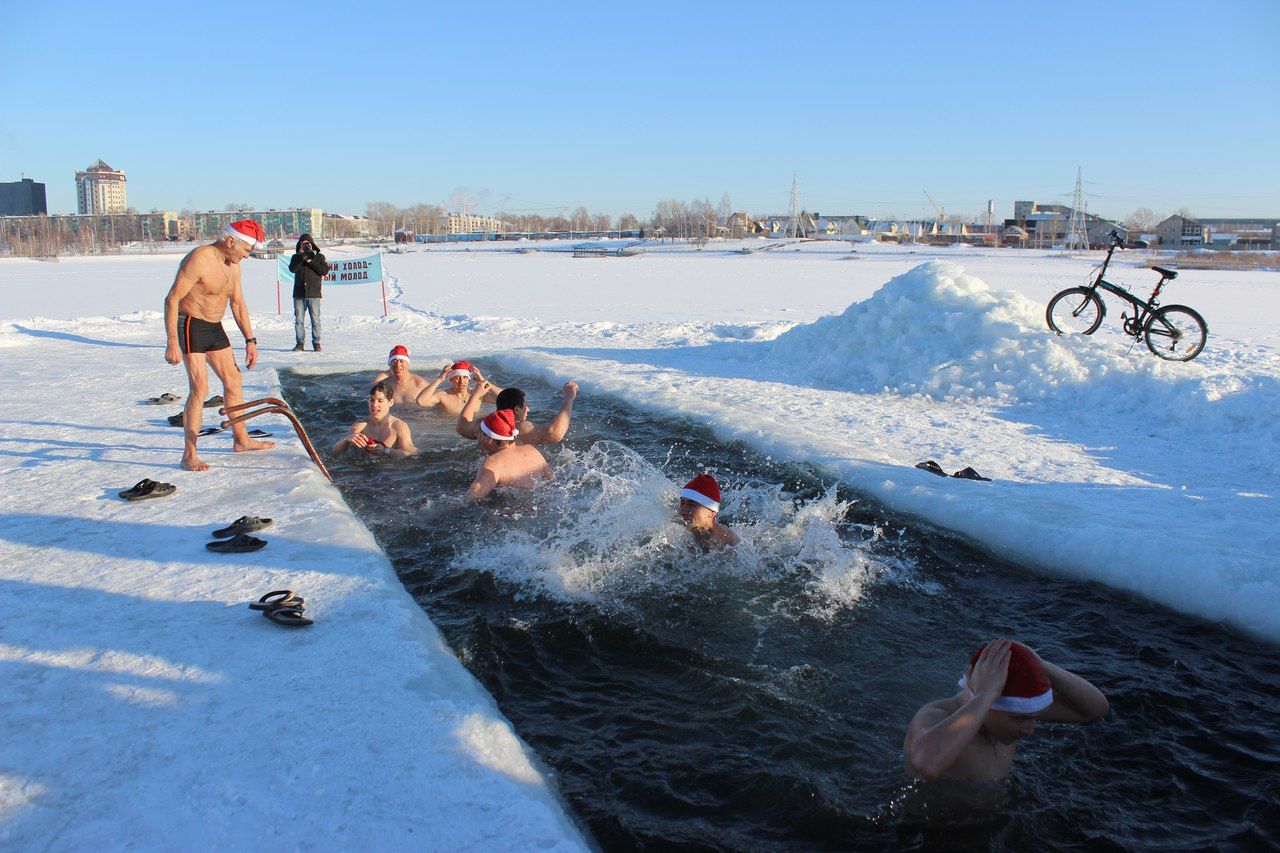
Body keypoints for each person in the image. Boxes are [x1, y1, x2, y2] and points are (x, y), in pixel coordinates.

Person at [903, 638, 1109, 782]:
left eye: (1035, 717)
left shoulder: (1014, 713)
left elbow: (1095, 709)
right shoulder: (935, 715)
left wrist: (1038, 664)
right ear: (989, 703)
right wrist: (984, 695)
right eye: (1020, 720)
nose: (1031, 729)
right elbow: (927, 763)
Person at [163, 219, 275, 472]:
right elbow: (172, 299)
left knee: (234, 381)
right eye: (246, 251)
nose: (246, 257)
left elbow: (237, 303)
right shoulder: (199, 258)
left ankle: (241, 439)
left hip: (214, 327)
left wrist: (250, 340)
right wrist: (172, 341)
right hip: (191, 324)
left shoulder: (233, 264)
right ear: (230, 241)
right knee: (199, 389)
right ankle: (189, 455)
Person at [464, 408, 551, 503]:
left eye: (480, 435)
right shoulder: (531, 450)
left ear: (489, 439)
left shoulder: (492, 463)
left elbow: (470, 500)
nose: (478, 438)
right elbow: (552, 481)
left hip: (512, 511)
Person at [456, 381, 578, 446]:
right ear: (517, 409)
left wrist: (475, 395)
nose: (528, 409)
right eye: (526, 406)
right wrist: (569, 399)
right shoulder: (520, 428)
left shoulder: (485, 424)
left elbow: (462, 427)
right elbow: (555, 433)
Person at [332, 381, 416, 459]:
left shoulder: (399, 426)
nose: (374, 405)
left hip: (391, 470)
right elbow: (335, 452)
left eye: (380, 401)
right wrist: (346, 440)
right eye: (372, 400)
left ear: (390, 402)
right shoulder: (361, 426)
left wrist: (386, 451)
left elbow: (410, 453)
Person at [288, 233, 329, 352]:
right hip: (299, 293)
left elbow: (324, 271)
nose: (305, 246)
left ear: (312, 244)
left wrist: (311, 261)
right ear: (299, 245)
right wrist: (301, 256)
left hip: (314, 293)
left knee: (315, 319)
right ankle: (300, 343)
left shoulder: (319, 257)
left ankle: (316, 342)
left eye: (307, 243)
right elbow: (293, 269)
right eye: (303, 243)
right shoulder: (296, 257)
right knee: (299, 320)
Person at [677, 473, 739, 549]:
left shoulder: (728, 545)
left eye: (692, 505)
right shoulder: (674, 528)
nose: (683, 511)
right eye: (682, 503)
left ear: (712, 512)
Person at [418, 360, 501, 415]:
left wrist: (484, 381)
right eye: (457, 378)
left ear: (469, 379)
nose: (462, 381)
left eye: (465, 377)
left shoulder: (478, 395)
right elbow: (421, 401)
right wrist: (439, 379)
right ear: (451, 380)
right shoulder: (443, 396)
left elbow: (508, 399)